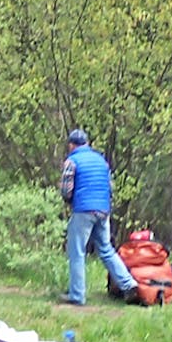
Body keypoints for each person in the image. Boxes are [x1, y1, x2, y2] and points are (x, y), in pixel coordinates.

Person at [58, 129, 133, 305]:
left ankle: (77, 295)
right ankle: (129, 284)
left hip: (84, 209)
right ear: (87, 143)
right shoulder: (101, 161)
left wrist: (69, 201)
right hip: (103, 209)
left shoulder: (72, 161)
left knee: (77, 251)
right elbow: (110, 187)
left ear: (71, 145)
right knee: (106, 249)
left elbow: (66, 190)